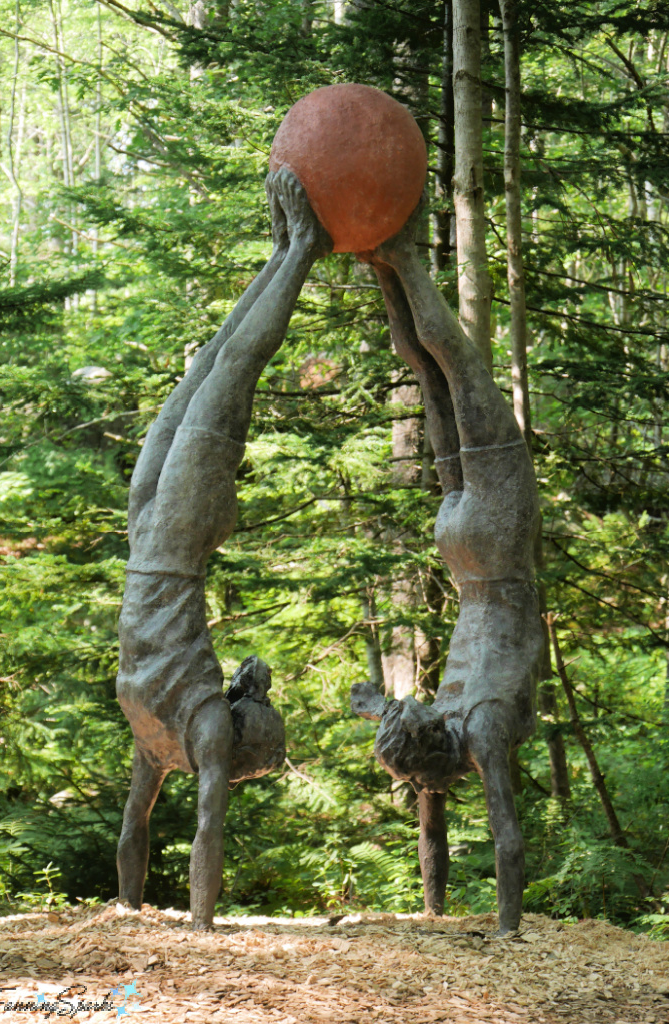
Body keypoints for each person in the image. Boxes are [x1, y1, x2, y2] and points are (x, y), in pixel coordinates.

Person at [115, 169, 332, 930]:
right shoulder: (180, 724)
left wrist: (178, 923)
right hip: (176, 539)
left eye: (254, 707)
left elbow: (172, 827)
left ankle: (300, 249)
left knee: (217, 369)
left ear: (240, 740)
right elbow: (160, 826)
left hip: (154, 540)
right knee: (218, 372)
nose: (250, 686)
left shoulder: (192, 732)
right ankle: (290, 250)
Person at [352, 213, 543, 935]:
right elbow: (502, 839)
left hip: (492, 550)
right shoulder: (446, 731)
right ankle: (388, 260)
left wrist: (483, 923)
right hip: (467, 554)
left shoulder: (452, 750)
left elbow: (489, 836)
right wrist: (505, 937)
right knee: (442, 376)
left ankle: (389, 259)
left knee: (451, 376)